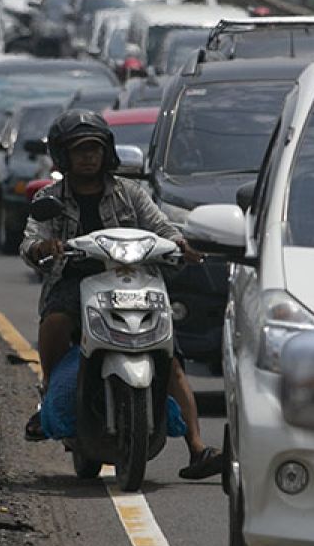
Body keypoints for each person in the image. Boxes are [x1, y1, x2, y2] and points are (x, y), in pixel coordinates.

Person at [19, 110, 224, 480]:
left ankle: (197, 447)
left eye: (94, 149)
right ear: (65, 156)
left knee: (171, 358)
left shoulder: (131, 193)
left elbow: (162, 227)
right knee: (54, 321)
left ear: (106, 152)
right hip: (74, 283)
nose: (88, 157)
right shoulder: (51, 197)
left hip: (133, 279)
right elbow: (31, 238)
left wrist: (182, 245)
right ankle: (50, 393)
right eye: (80, 150)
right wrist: (41, 248)